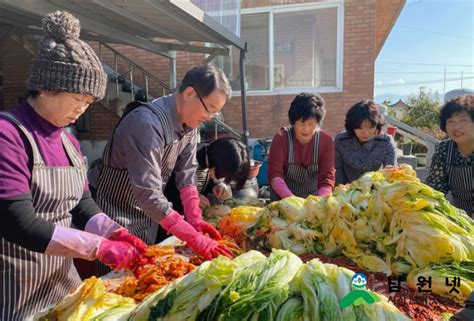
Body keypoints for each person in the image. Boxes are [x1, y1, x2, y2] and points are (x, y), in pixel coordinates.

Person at [0, 11, 148, 320]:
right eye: (78, 98)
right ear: (47, 87)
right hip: (14, 287)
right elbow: (18, 222)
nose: (82, 109)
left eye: (89, 102)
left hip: (60, 284)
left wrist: (115, 232)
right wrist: (98, 249)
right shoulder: (9, 134)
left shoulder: (68, 141)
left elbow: (82, 205)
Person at [90, 63, 234, 264]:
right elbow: (148, 192)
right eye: (209, 109)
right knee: (118, 278)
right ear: (189, 93)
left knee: (145, 273)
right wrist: (194, 238)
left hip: (151, 216)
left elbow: (187, 174)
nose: (209, 118)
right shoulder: (146, 123)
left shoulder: (191, 126)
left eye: (214, 113)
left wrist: (195, 219)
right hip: (117, 214)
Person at [267, 93, 335, 200]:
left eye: (311, 123)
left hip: (314, 200)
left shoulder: (326, 141)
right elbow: (275, 174)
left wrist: (320, 201)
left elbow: (327, 177)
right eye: (302, 123)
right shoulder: (281, 138)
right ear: (293, 122)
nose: (306, 129)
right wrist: (292, 200)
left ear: (318, 123)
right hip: (283, 200)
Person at [164, 137, 250, 214]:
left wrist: (215, 186)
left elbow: (202, 182)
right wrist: (192, 197)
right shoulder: (187, 158)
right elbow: (164, 190)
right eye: (222, 175)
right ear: (217, 164)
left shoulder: (210, 159)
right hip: (169, 218)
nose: (222, 178)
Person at [426, 95, 474, 216]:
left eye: (463, 120)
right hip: (461, 221)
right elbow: (435, 189)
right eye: (450, 121)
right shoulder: (444, 149)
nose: (456, 127)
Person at [334, 100, 397, 184]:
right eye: (360, 128)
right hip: (346, 190)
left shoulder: (385, 142)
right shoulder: (341, 141)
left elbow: (391, 172)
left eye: (370, 127)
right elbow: (337, 169)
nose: (365, 132)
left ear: (377, 125)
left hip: (375, 189)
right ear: (352, 127)